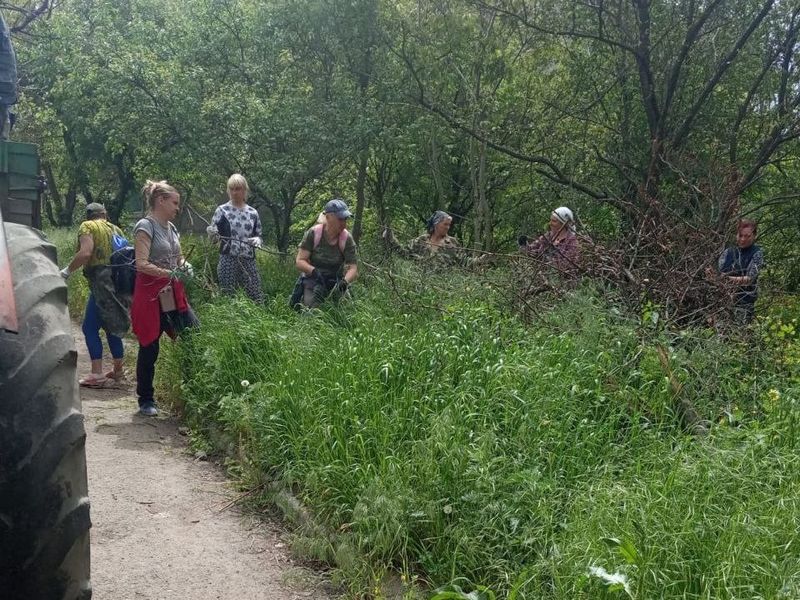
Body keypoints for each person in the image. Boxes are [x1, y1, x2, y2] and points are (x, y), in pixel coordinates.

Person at [131, 180, 198, 416]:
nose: (177, 208)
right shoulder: (145, 226)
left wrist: (184, 265)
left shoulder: (172, 228)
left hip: (172, 292)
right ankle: (146, 399)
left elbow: (177, 257)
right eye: (175, 203)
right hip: (150, 295)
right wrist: (170, 272)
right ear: (161, 201)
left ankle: (193, 391)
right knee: (149, 346)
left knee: (193, 334)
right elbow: (141, 264)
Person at [61, 202, 130, 387]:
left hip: (101, 283)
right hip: (119, 282)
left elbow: (86, 253)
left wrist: (66, 271)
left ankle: (97, 374)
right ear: (104, 214)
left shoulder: (88, 226)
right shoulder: (117, 230)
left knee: (89, 328)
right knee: (112, 325)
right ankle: (118, 371)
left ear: (88, 215)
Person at [206, 174, 264, 302]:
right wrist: (212, 233)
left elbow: (259, 234)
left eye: (237, 189)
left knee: (255, 294)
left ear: (244, 190)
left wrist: (258, 240)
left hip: (248, 258)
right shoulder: (222, 210)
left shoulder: (252, 213)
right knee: (228, 296)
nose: (234, 192)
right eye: (231, 189)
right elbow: (214, 240)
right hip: (228, 258)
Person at [292, 199, 358, 309]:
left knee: (347, 312)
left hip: (336, 282)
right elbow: (300, 261)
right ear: (328, 217)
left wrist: (344, 282)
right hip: (313, 280)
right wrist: (313, 271)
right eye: (340, 219)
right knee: (313, 311)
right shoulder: (313, 233)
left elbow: (353, 268)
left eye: (345, 219)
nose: (344, 223)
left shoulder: (346, 238)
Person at [717, 219, 764, 324]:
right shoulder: (728, 252)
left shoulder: (757, 253)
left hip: (744, 301)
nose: (743, 239)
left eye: (747, 236)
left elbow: (750, 279)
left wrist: (726, 279)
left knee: (739, 334)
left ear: (754, 236)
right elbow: (717, 273)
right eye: (740, 235)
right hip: (722, 300)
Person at [383, 210, 465, 266]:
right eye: (445, 224)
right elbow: (404, 253)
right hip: (420, 286)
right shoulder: (421, 240)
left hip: (443, 287)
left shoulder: (452, 243)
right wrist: (391, 238)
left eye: (449, 225)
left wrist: (478, 261)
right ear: (436, 224)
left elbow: (464, 261)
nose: (447, 227)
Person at [518, 206, 579, 270]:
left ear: (563, 223)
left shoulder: (572, 242)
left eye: (554, 221)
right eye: (551, 220)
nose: (550, 223)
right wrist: (524, 244)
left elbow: (566, 265)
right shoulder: (548, 236)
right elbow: (531, 250)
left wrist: (545, 259)